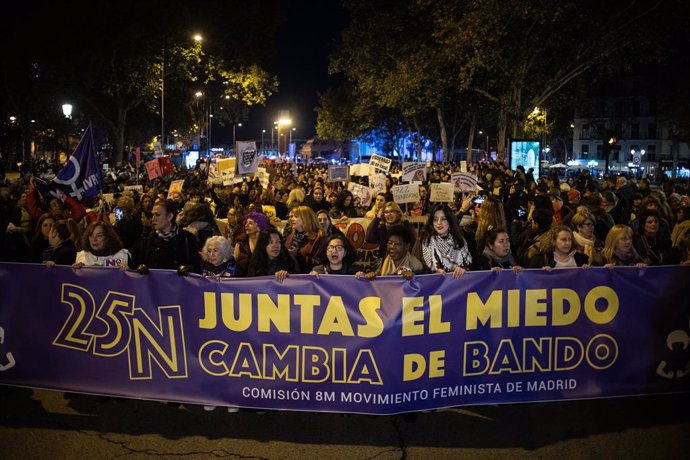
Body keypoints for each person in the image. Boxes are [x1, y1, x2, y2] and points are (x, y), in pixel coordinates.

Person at [131, 199, 201, 273]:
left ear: (170, 216)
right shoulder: (149, 239)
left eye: (157, 215)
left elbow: (196, 270)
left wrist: (187, 270)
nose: (153, 219)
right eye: (153, 215)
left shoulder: (187, 239)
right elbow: (137, 265)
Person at [415, 204, 471, 278]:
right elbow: (415, 267)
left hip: (456, 286)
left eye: (443, 219)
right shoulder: (424, 240)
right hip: (432, 286)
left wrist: (463, 270)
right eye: (435, 219)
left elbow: (468, 267)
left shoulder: (460, 240)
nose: (439, 223)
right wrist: (433, 272)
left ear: (450, 221)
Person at [357, 224, 424, 281]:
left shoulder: (416, 265)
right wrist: (367, 276)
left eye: (397, 244)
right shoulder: (381, 263)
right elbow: (375, 283)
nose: (392, 246)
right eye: (390, 243)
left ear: (407, 246)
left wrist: (414, 277)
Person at [285, 205, 326, 273]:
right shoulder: (290, 237)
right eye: (291, 217)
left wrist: (300, 256)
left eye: (296, 216)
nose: (291, 219)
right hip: (291, 277)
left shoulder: (318, 237)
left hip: (311, 277)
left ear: (306, 218)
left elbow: (321, 262)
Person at [233, 210, 270, 277]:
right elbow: (236, 265)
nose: (246, 225)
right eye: (246, 223)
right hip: (244, 279)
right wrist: (235, 258)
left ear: (259, 226)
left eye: (250, 223)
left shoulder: (267, 242)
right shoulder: (241, 243)